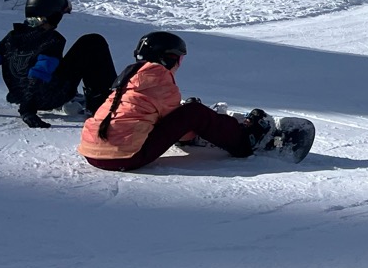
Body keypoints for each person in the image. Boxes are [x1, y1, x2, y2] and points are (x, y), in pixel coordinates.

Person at [78, 31, 277, 172]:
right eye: (179, 59)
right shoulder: (159, 79)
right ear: (169, 58)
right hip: (123, 157)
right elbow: (182, 129)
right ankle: (244, 140)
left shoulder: (130, 77)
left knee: (188, 112)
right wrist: (200, 128)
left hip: (92, 153)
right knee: (194, 112)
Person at [0, 0, 117, 128]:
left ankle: (75, 98)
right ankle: (103, 104)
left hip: (20, 95)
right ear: (54, 16)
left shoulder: (12, 37)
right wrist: (27, 110)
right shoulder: (52, 41)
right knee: (93, 41)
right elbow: (39, 73)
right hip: (44, 97)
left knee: (60, 65)